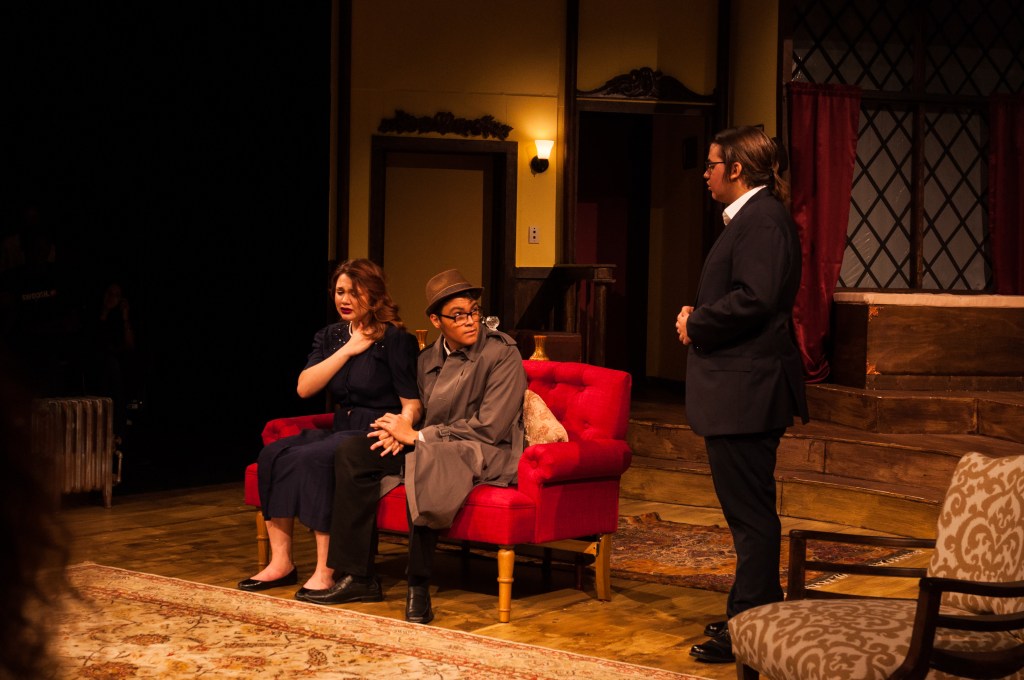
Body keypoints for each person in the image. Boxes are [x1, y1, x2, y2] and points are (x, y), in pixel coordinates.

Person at [301, 269, 527, 626]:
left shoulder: (502, 353)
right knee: (354, 453)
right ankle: (358, 576)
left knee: (426, 461)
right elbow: (417, 413)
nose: (470, 322)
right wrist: (400, 432)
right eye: (458, 315)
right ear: (437, 321)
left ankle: (418, 585)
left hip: (485, 450)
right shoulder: (427, 360)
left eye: (473, 312)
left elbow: (490, 427)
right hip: (434, 444)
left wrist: (419, 438)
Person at [675, 126, 809, 663]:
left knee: (751, 516)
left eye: (711, 165)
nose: (705, 174)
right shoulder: (752, 219)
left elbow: (755, 298)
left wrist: (697, 323)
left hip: (748, 392)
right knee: (746, 513)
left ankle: (750, 625)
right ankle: (754, 611)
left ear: (735, 169)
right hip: (740, 390)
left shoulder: (764, 220)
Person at [238, 259, 422, 597]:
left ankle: (326, 569)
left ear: (374, 294)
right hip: (341, 426)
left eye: (354, 292)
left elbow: (412, 402)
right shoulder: (331, 336)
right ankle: (282, 563)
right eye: (340, 292)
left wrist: (402, 425)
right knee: (273, 453)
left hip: (375, 432)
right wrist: (349, 350)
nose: (345, 299)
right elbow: (304, 388)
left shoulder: (395, 339)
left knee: (318, 458)